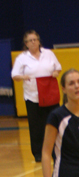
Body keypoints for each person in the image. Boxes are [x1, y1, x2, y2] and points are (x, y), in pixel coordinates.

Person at [11, 30, 62, 162]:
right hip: (33, 96)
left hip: (50, 93)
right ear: (26, 44)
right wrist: (23, 76)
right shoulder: (22, 58)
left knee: (54, 123)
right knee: (36, 126)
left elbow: (58, 67)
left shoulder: (48, 53)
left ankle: (56, 150)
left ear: (39, 41)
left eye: (35, 39)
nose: (33, 42)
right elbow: (14, 75)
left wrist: (56, 72)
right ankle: (38, 152)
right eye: (30, 40)